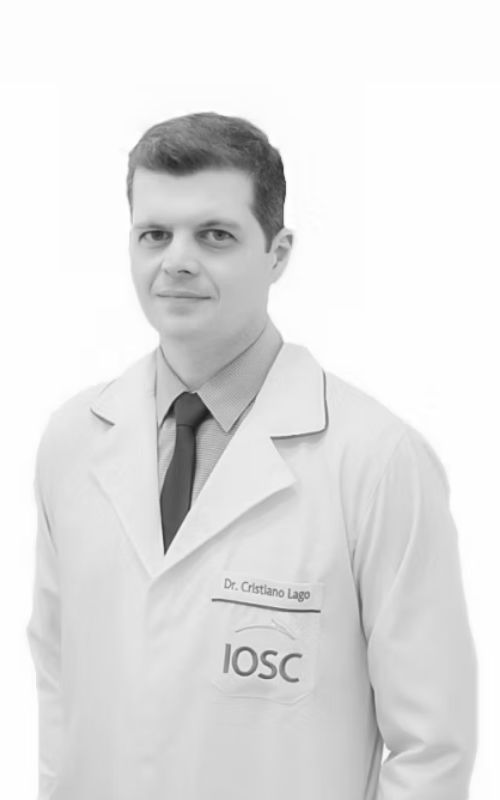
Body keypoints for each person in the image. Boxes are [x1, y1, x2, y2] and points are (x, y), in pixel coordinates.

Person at [26, 111, 478, 800]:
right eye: (154, 234)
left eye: (215, 235)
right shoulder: (73, 441)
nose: (177, 260)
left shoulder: (376, 459)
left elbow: (431, 746)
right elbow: (59, 685)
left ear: (278, 253)